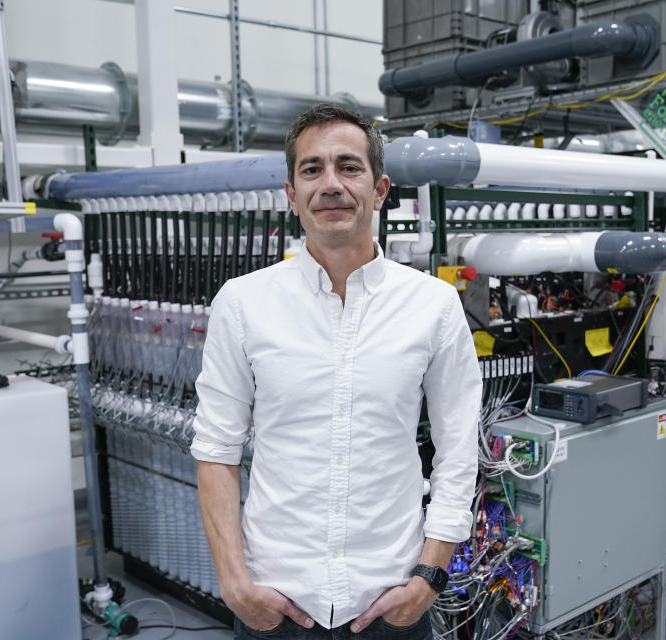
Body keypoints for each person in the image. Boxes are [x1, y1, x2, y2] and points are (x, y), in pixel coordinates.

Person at [191, 102, 482, 639]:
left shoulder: (435, 306)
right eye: (312, 169)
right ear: (291, 195)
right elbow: (215, 451)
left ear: (379, 189)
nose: (330, 184)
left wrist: (429, 576)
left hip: (389, 598)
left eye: (349, 167)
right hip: (274, 601)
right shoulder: (242, 303)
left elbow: (459, 450)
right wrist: (234, 584)